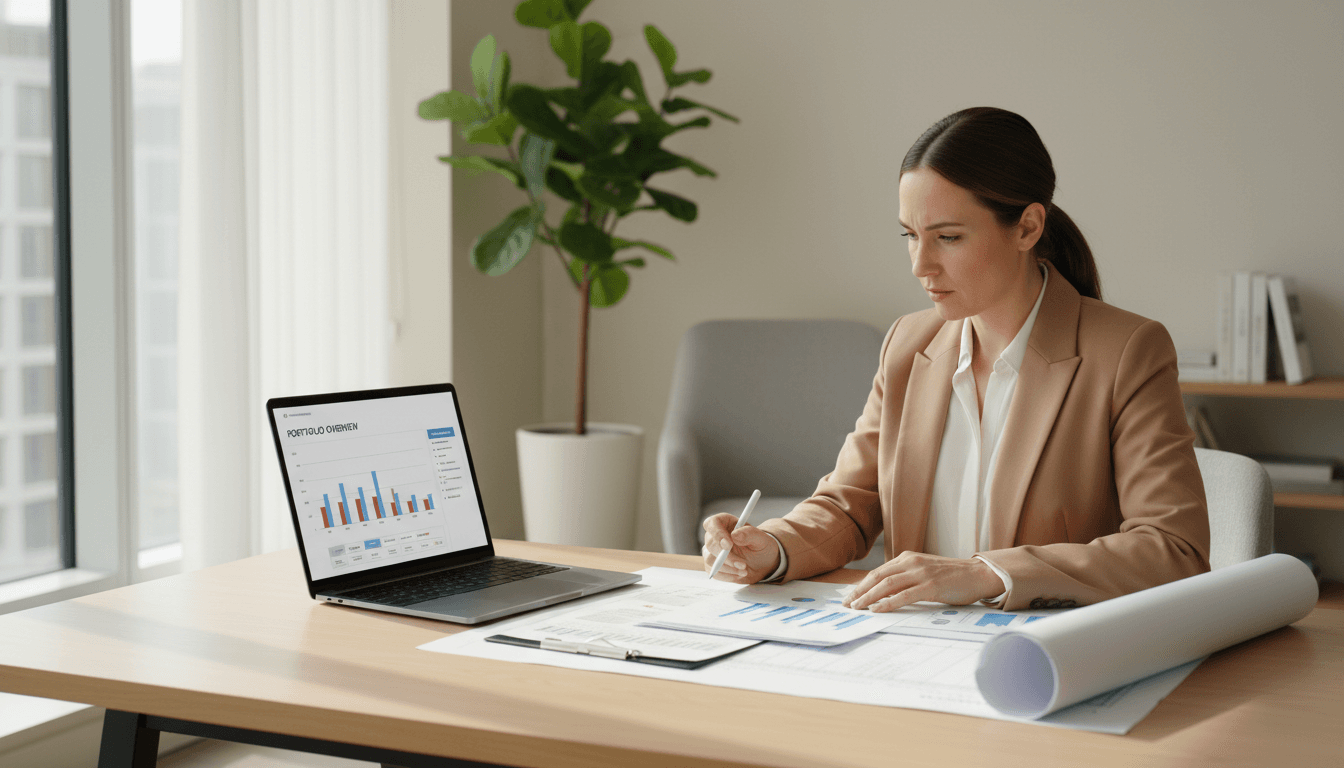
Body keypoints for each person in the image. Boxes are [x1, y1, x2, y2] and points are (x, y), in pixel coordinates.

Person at [702, 107, 1210, 612]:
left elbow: (1174, 549)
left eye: (948, 237)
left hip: (1049, 658)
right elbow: (850, 504)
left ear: (1028, 227)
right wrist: (772, 547)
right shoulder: (908, 343)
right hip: (917, 648)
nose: (921, 265)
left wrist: (986, 574)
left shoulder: (1126, 352)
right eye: (909, 236)